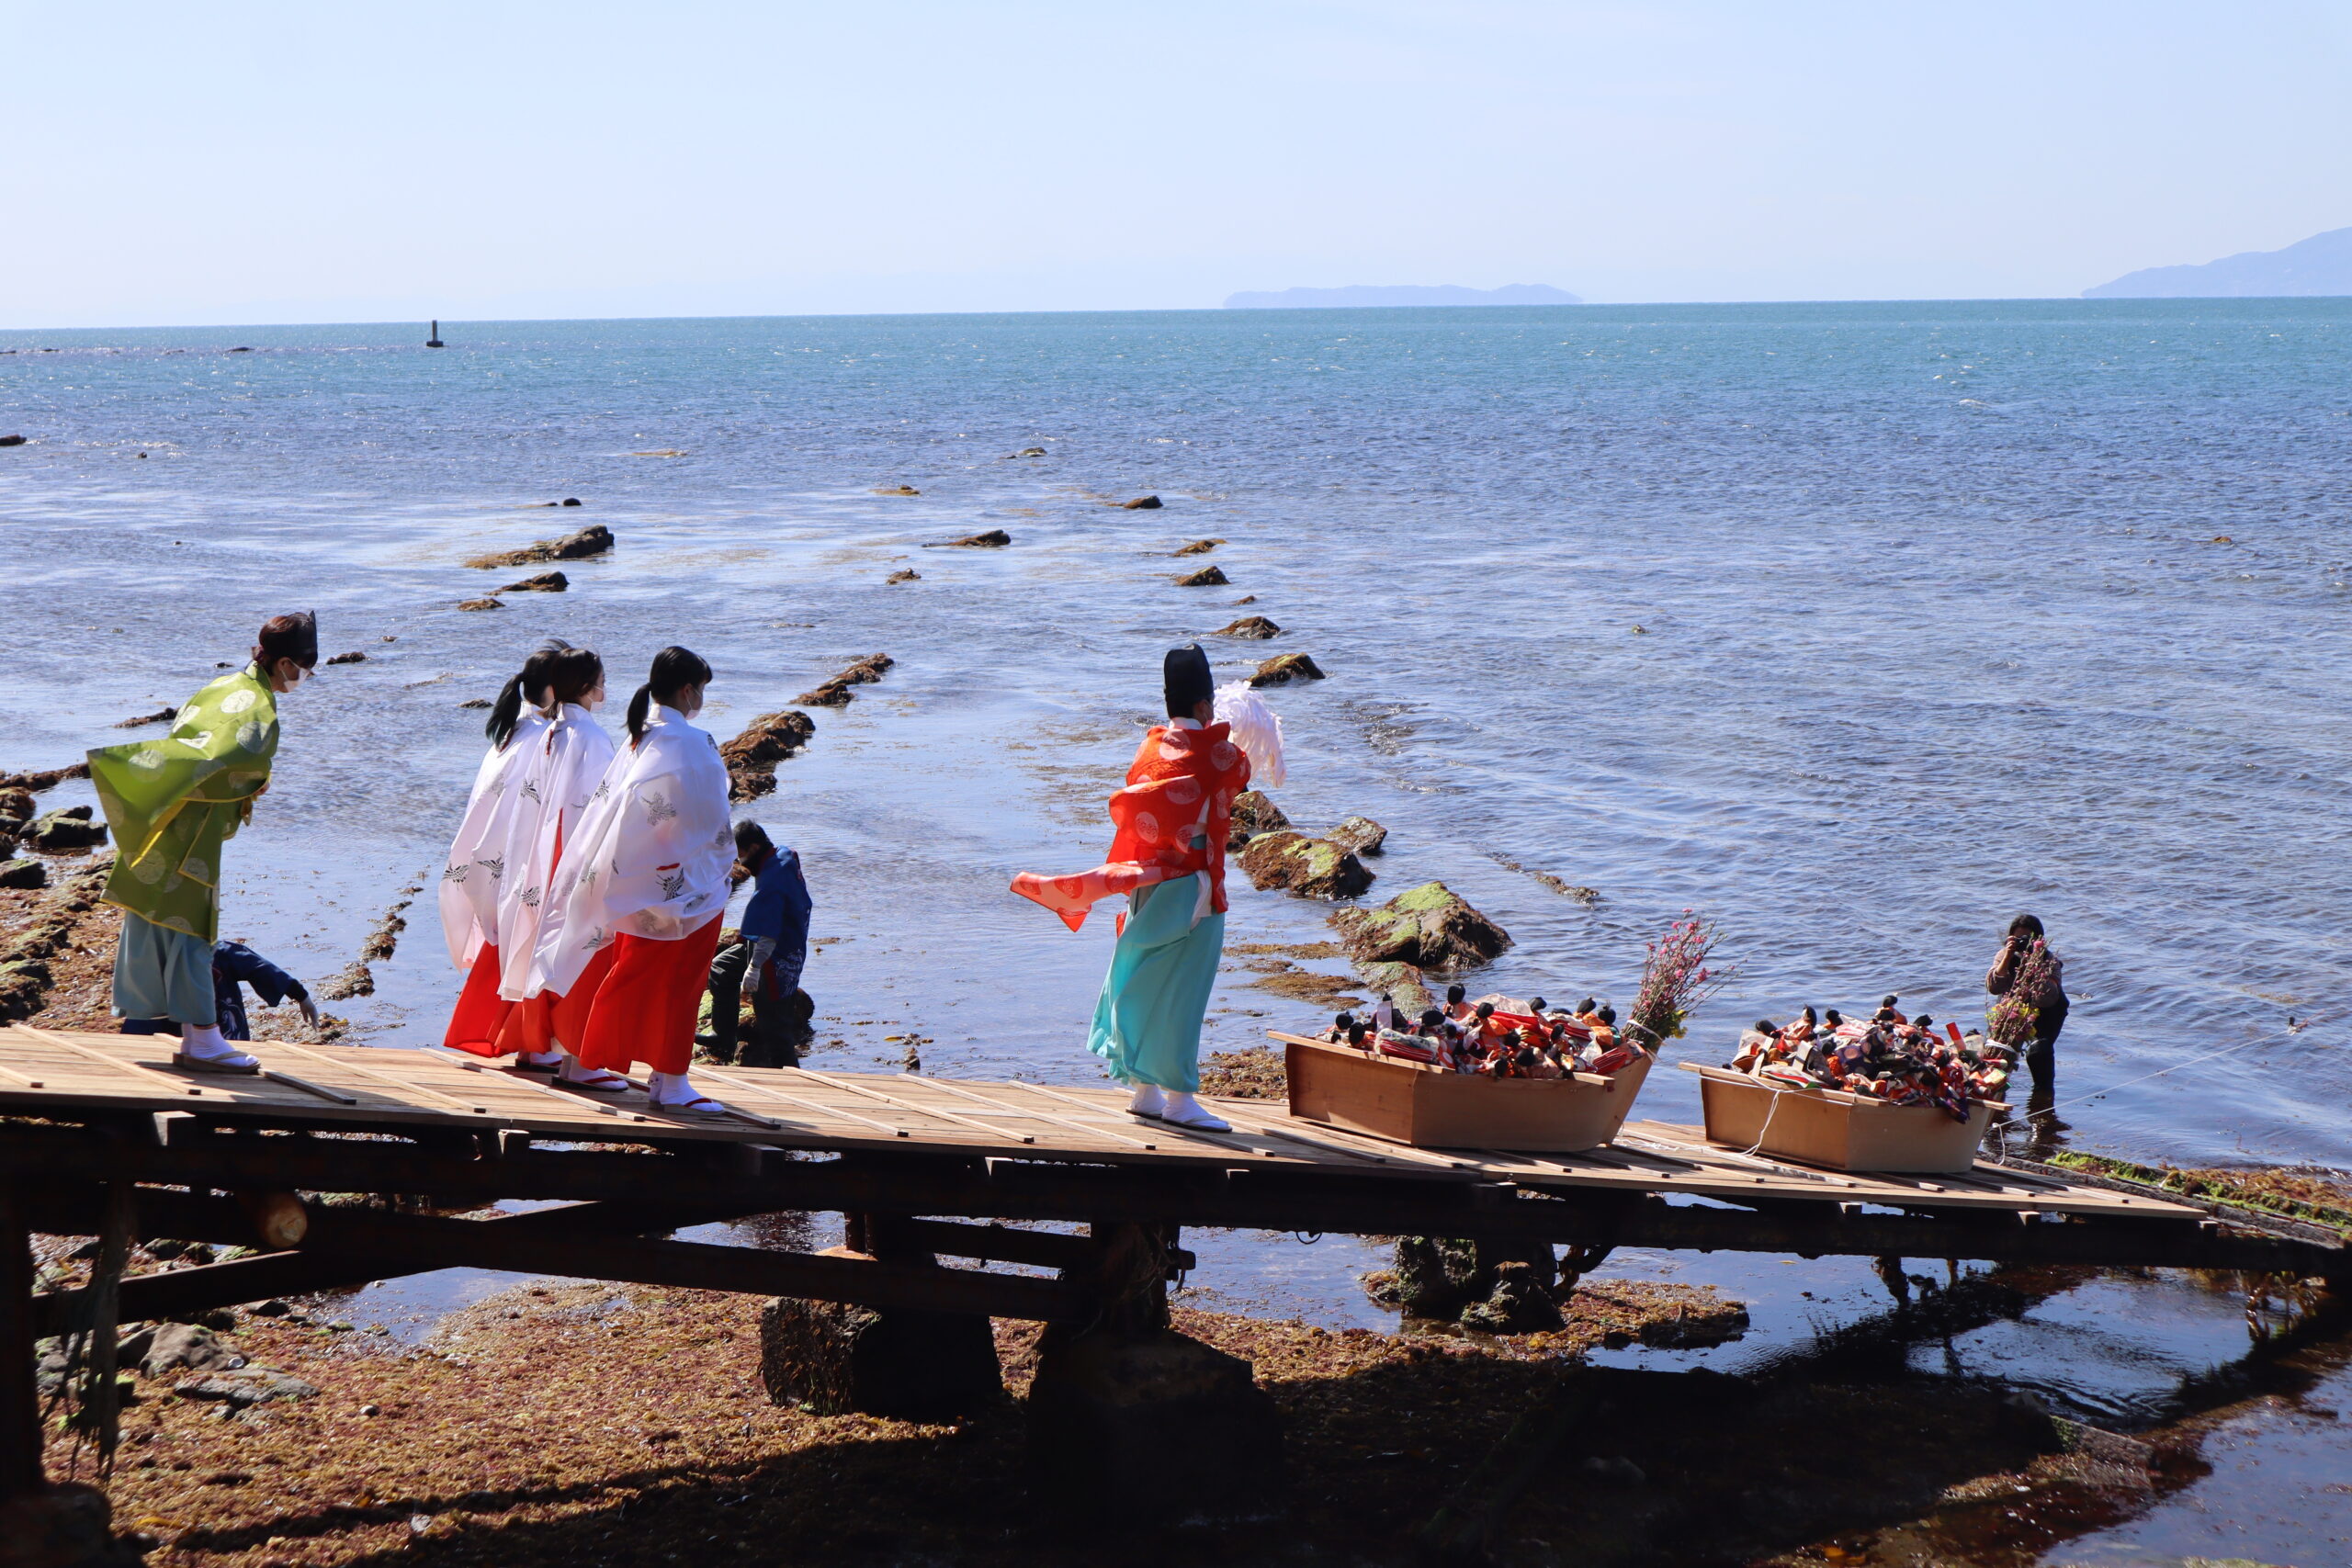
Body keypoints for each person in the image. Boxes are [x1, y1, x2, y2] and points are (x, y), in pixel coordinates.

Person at [1011, 644, 1280, 1134]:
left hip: (1148, 884)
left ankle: (1145, 1093)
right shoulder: (1220, 755)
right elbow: (1240, 775)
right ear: (1205, 706)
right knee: (1184, 992)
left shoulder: (1151, 748)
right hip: (1195, 890)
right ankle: (1179, 1099)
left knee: (1142, 979)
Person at [88, 612, 316, 1073]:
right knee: (193, 927)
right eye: (308, 667)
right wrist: (256, 780)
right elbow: (231, 758)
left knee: (165, 921)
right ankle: (206, 1040)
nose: (307, 677)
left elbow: (187, 739)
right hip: (191, 833)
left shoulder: (223, 686)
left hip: (168, 816)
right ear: (287, 663)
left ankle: (195, 1034)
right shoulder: (257, 704)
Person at [530, 647, 733, 1111]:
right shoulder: (694, 742)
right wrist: (721, 867)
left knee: (631, 975)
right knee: (680, 985)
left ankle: (593, 1060)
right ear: (688, 690)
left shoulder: (638, 738)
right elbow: (712, 818)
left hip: (634, 881)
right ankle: (672, 1082)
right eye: (700, 689)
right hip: (686, 887)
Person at [438, 642, 570, 1062]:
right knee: (530, 945)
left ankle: (524, 1042)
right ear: (555, 688)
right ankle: (529, 1043)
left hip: (497, 862)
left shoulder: (512, 733)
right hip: (521, 860)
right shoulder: (542, 739)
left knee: (515, 947)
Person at [485, 646, 612, 1076]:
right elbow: (602, 806)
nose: (605, 687)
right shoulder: (591, 736)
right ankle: (580, 1059)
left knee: (541, 943)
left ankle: (537, 1043)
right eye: (601, 679)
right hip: (576, 852)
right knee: (581, 947)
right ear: (587, 687)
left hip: (543, 853)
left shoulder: (551, 732)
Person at [706, 820, 813, 1068]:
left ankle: (790, 1077)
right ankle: (723, 1036)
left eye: (741, 855)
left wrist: (754, 968)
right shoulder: (780, 854)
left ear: (754, 847)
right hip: (763, 941)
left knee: (773, 1023)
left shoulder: (774, 878)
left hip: (776, 953)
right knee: (721, 968)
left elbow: (769, 929)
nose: (740, 862)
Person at [122, 939, 317, 1042]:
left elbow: (260, 969)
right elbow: (260, 968)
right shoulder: (217, 951)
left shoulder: (151, 954)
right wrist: (302, 996)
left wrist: (300, 995)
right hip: (218, 1039)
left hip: (176, 1041)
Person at [1986, 913, 2068, 1095]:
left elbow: (2049, 998)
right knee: (1998, 1054)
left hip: (2046, 1014)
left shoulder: (2050, 962)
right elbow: (1993, 987)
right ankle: (1995, 1096)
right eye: (2017, 938)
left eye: (2027, 939)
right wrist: (2008, 955)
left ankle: (2043, 1098)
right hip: (2013, 1011)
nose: (2022, 944)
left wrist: (2033, 965)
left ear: (2039, 940)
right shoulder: (2004, 955)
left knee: (2039, 1051)